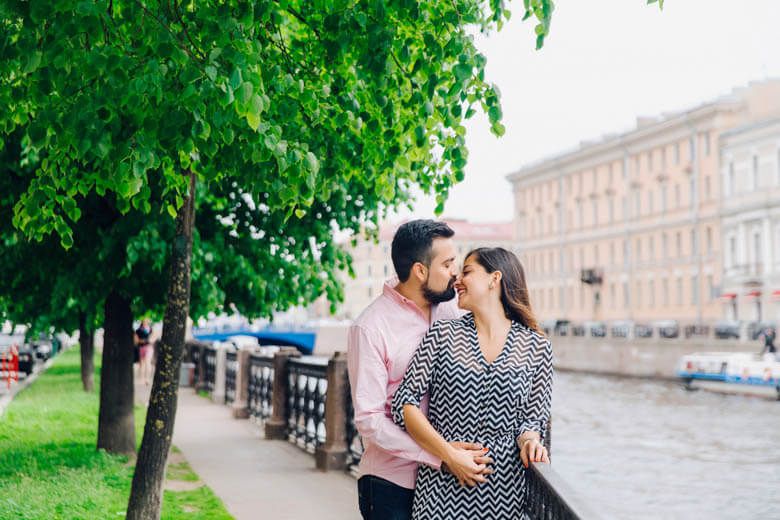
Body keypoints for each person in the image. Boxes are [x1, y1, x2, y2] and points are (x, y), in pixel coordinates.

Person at [392, 247, 553, 519]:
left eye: (467, 272)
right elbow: (404, 403)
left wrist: (530, 441)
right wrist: (449, 455)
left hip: (505, 493)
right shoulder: (442, 334)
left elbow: (532, 420)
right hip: (440, 488)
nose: (457, 280)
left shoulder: (537, 347)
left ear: (494, 279)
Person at [347, 220, 492, 520]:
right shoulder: (370, 327)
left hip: (445, 484)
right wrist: (443, 454)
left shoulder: (453, 311)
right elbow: (370, 421)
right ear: (420, 271)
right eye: (448, 263)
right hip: (391, 485)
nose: (455, 273)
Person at [134, 318, 154, 385]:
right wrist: (144, 340)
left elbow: (153, 338)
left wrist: (149, 340)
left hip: (148, 347)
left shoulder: (150, 329)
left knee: (148, 362)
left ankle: (147, 379)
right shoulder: (138, 330)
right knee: (142, 364)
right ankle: (142, 379)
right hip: (141, 348)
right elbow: (136, 341)